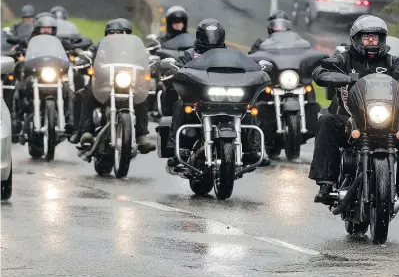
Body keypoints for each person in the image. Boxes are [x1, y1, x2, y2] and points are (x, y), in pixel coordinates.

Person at [309, 15, 399, 210]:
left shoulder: (391, 61)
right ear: (356, 39)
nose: (372, 41)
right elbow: (321, 69)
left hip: (385, 119)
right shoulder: (344, 58)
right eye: (367, 37)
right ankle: (325, 184)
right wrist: (328, 73)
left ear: (382, 39)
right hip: (348, 118)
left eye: (376, 37)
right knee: (326, 121)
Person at [166, 18, 269, 168]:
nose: (211, 40)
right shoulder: (190, 54)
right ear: (200, 36)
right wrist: (173, 69)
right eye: (208, 36)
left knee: (249, 108)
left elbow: (247, 66)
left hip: (228, 98)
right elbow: (177, 67)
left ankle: (254, 149)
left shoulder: (231, 56)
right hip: (201, 98)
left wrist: (257, 69)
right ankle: (178, 149)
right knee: (181, 105)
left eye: (215, 36)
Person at [73, 18, 156, 154]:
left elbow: (146, 59)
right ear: (107, 34)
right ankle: (86, 132)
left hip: (129, 83)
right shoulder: (99, 46)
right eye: (112, 32)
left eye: (120, 32)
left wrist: (151, 64)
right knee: (87, 93)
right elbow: (88, 54)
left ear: (127, 34)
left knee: (141, 98)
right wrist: (85, 57)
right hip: (103, 83)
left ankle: (142, 137)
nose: (116, 35)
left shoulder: (135, 48)